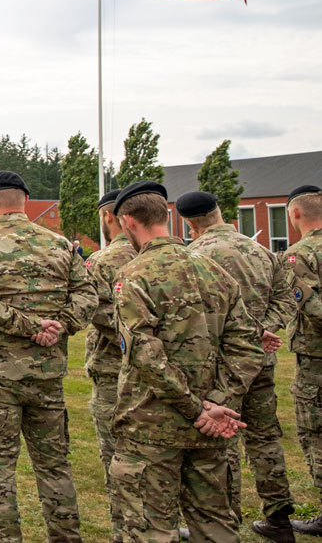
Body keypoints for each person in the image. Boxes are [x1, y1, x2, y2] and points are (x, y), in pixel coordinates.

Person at [109, 181, 264, 543]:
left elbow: (145, 356)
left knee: (152, 529)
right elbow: (247, 345)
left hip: (153, 426)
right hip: (209, 426)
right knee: (215, 526)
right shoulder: (215, 271)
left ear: (129, 222)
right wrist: (219, 402)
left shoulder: (134, 275)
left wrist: (198, 410)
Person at [0, 170, 96, 543]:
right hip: (46, 376)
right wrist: (58, 325)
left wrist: (26, 325)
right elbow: (88, 296)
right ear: (25, 202)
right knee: (55, 468)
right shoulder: (61, 245)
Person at [178, 190, 297, 541]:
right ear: (219, 213)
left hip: (221, 366)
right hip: (261, 359)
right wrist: (263, 331)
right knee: (265, 438)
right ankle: (279, 518)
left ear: (189, 223)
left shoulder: (195, 256)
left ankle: (225, 521)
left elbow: (194, 317)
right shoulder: (259, 250)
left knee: (222, 441)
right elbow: (286, 297)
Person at [82, 188, 138, 543]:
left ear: (109, 217)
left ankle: (124, 529)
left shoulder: (102, 261)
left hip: (112, 368)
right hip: (165, 370)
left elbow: (90, 308)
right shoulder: (173, 255)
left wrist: (133, 330)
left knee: (118, 455)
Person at [278, 185, 322, 536]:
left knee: (315, 433)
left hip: (316, 361)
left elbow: (311, 307)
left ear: (293, 214)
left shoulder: (298, 254)